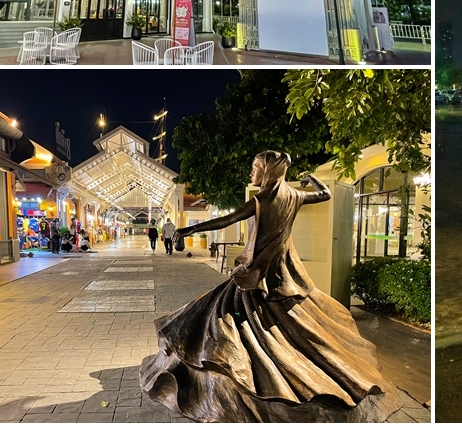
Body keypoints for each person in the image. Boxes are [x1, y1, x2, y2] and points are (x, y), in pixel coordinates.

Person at [140, 151, 397, 422]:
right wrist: (311, 179)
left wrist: (190, 229)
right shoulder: (295, 196)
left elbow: (227, 220)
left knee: (224, 316)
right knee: (274, 319)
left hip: (258, 271)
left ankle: (252, 375)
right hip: (284, 271)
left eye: (255, 168)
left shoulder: (261, 199)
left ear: (267, 170)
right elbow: (325, 194)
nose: (252, 173)